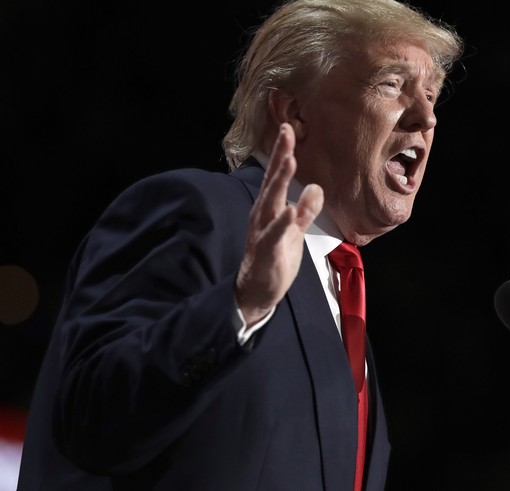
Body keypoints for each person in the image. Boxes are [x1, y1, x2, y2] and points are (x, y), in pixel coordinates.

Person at [16, 0, 464, 489]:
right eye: (391, 84)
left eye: (432, 95)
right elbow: (90, 419)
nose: (427, 117)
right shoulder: (198, 211)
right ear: (293, 110)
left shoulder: (339, 287)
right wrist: (239, 306)